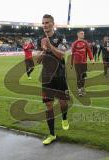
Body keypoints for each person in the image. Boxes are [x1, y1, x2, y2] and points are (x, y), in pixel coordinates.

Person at [36, 14, 70, 145]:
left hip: (60, 75)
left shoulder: (61, 37)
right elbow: (38, 60)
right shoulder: (40, 39)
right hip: (46, 76)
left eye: (47, 23)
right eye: (43, 23)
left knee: (62, 103)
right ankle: (52, 134)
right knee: (48, 105)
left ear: (53, 24)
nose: (45, 25)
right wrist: (43, 51)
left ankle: (65, 118)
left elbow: (62, 56)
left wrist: (49, 46)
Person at [71, 30, 95, 97]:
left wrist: (92, 59)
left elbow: (89, 51)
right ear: (78, 34)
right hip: (77, 63)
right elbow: (72, 53)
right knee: (79, 76)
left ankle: (82, 89)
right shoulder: (74, 43)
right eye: (81, 34)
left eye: (83, 34)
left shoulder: (86, 42)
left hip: (84, 63)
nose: (83, 35)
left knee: (83, 76)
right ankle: (79, 91)